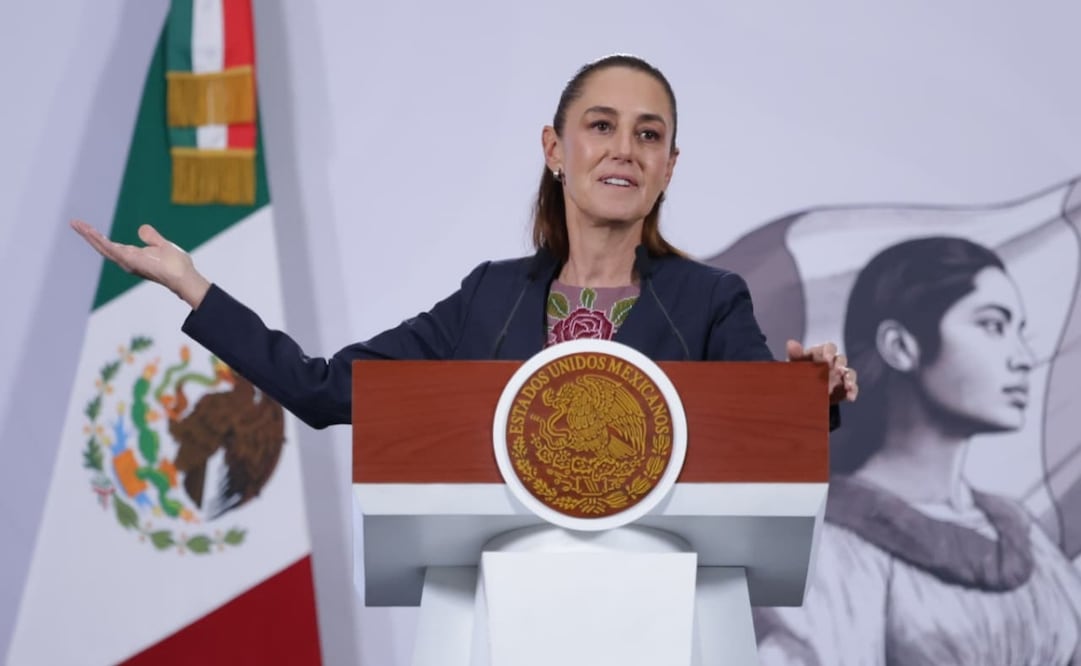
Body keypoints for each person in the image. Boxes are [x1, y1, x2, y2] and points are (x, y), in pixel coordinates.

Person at [71, 54, 857, 430]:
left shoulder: (710, 302)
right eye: (601, 126)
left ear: (668, 167)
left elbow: (765, 431)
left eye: (648, 134)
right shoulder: (490, 297)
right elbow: (321, 390)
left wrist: (807, 396)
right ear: (554, 149)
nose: (624, 149)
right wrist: (195, 287)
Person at [753, 236, 1081, 665]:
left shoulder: (1021, 533)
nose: (1023, 357)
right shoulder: (829, 542)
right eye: (993, 325)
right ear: (900, 346)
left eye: (1020, 331)